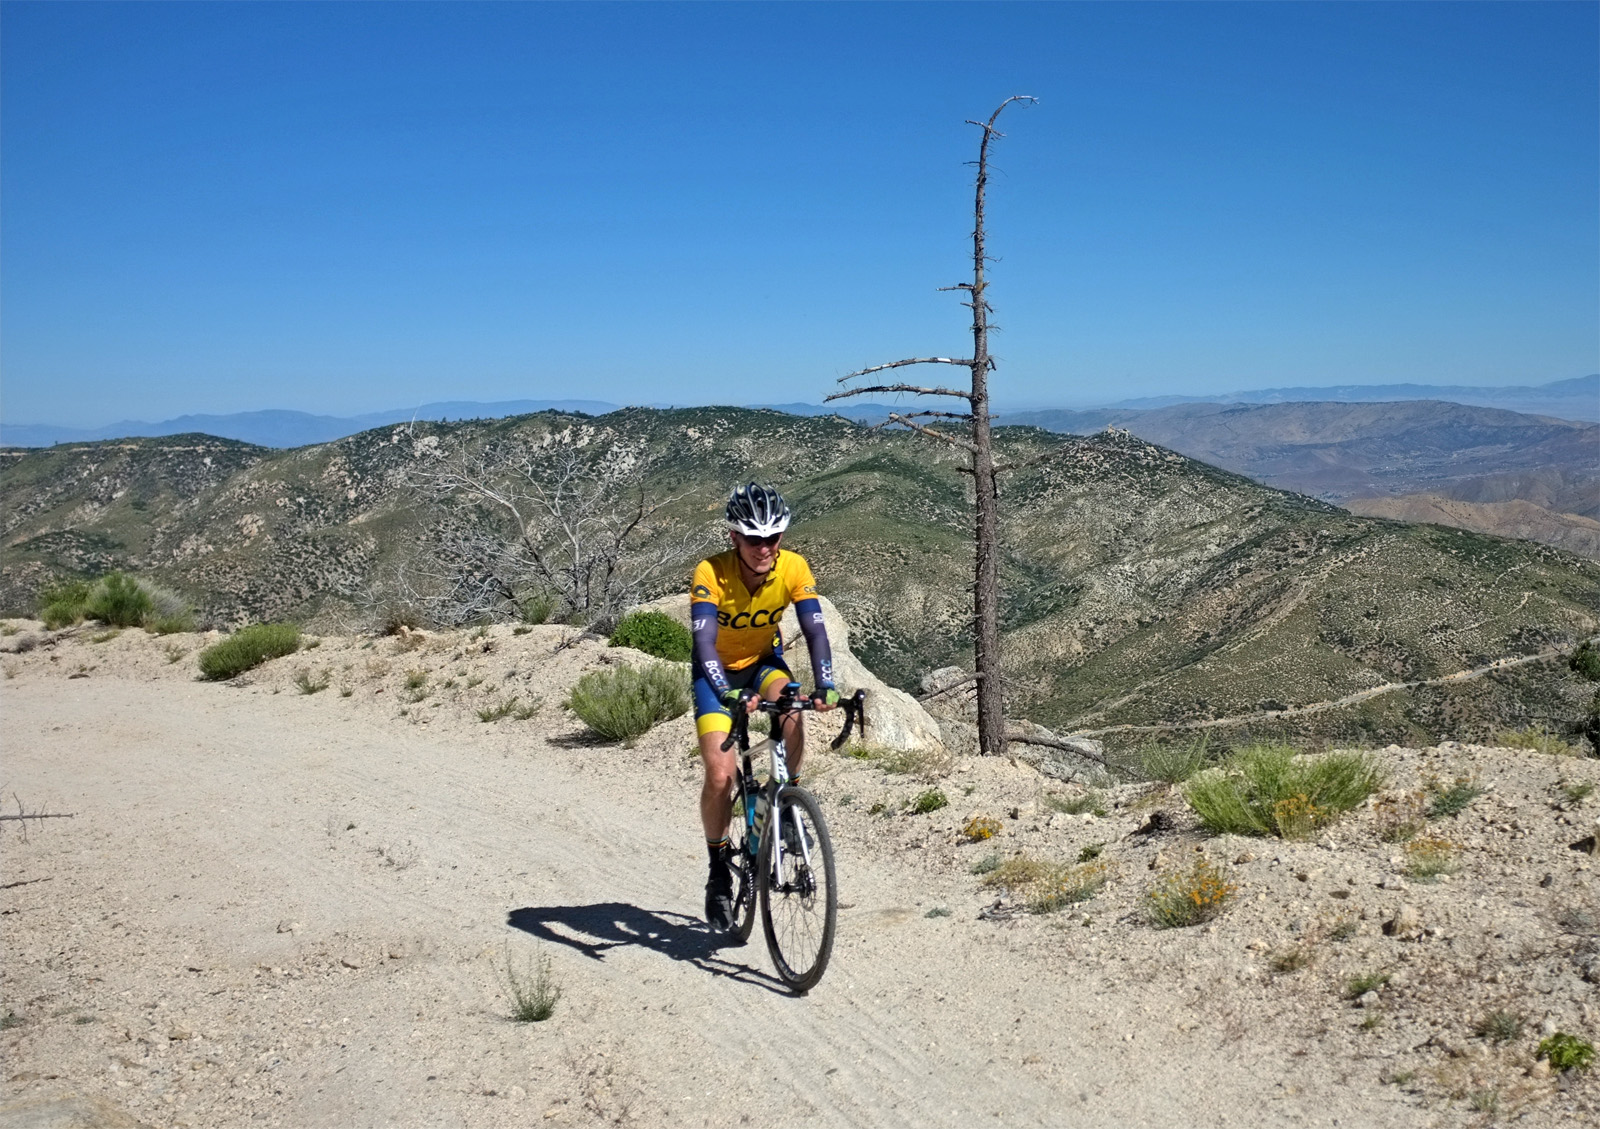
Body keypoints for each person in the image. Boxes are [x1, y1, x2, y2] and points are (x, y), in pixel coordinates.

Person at [691, 483, 838, 931]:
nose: (765, 548)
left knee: (792, 710)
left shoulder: (793, 566)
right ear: (734, 537)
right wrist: (726, 690)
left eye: (773, 538)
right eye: (754, 539)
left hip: (763, 664)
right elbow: (703, 643)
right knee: (720, 774)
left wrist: (826, 684)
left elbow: (814, 630)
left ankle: (789, 803)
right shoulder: (710, 573)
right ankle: (718, 868)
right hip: (716, 674)